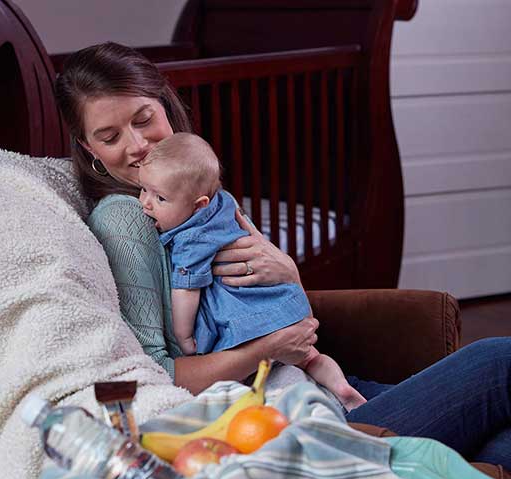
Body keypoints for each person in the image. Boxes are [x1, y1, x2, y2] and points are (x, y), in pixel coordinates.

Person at [54, 41, 511, 479]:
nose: (137, 146)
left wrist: (289, 273)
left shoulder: (193, 190)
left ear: (166, 106)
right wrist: (271, 346)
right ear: (85, 148)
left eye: (145, 119)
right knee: (507, 363)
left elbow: (268, 297)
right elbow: (156, 372)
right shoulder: (125, 216)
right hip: (268, 418)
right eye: (109, 136)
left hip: (307, 382)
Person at [137, 132, 367, 411]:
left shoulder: (191, 237)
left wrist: (184, 337)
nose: (145, 203)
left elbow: (187, 288)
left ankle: (308, 405)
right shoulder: (226, 203)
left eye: (160, 198)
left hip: (244, 317)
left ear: (199, 205)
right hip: (276, 300)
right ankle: (341, 387)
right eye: (143, 190)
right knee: (310, 357)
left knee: (262, 378)